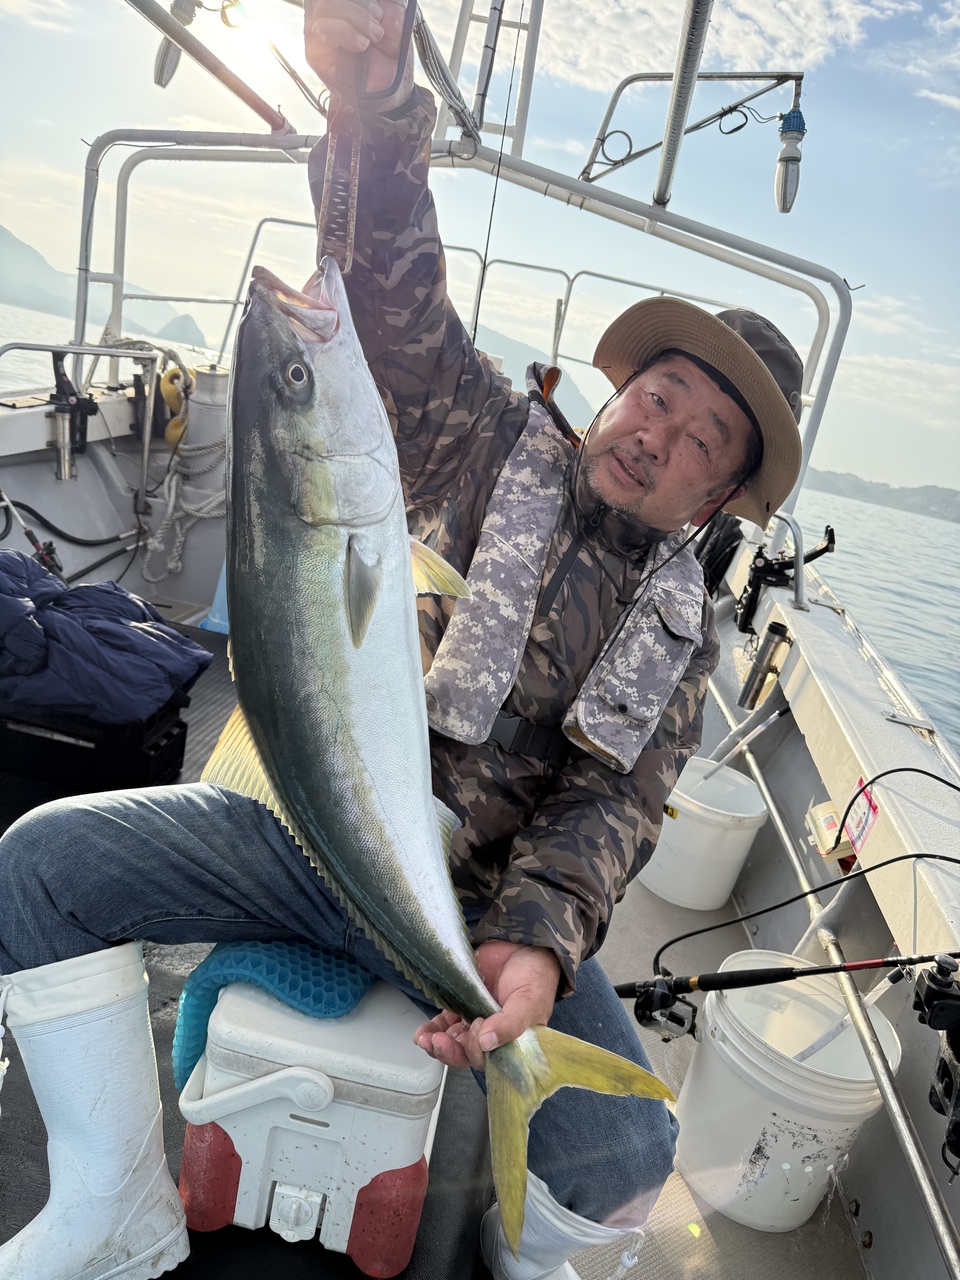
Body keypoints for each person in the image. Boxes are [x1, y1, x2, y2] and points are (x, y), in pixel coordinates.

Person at [0, 2, 803, 1278]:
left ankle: (512, 1254)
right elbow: (393, 297)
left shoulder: (680, 636)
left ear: (717, 499)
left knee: (624, 1151)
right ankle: (113, 1196)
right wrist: (372, 110)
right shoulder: (479, 438)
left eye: (704, 438)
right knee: (39, 866)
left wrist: (536, 944)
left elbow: (609, 807)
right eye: (659, 394)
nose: (660, 435)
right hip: (304, 834)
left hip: (474, 903)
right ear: (616, 391)